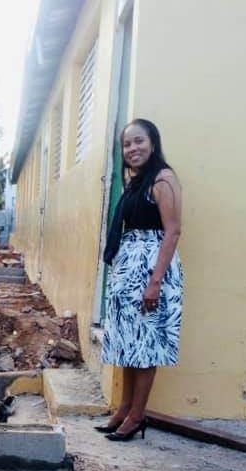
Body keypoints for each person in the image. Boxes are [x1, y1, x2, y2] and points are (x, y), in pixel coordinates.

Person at [96, 118, 183, 442]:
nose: (132, 148)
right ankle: (124, 408)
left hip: (151, 272)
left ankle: (136, 416)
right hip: (128, 271)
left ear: (153, 143)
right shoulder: (136, 183)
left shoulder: (163, 179)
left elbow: (172, 231)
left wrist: (155, 282)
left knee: (145, 345)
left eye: (139, 141)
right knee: (127, 343)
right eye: (127, 144)